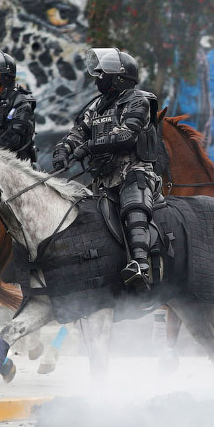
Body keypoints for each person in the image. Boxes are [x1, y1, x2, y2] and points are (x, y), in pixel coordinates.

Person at [51, 48, 161, 288]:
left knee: (134, 206)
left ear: (119, 78)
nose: (97, 78)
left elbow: (126, 136)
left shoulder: (137, 100)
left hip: (134, 172)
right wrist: (64, 150)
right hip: (103, 178)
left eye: (102, 74)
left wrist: (88, 147)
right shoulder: (97, 106)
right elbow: (77, 133)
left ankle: (140, 266)